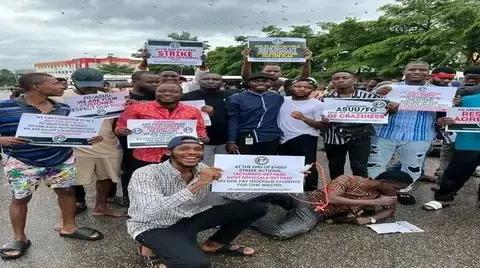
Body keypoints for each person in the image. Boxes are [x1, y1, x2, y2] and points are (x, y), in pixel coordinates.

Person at [0, 73, 104, 260]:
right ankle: (19, 238)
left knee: (66, 192)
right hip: (23, 162)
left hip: (60, 159)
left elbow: (70, 133)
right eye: (55, 83)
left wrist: (89, 137)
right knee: (20, 198)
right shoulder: (4, 107)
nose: (61, 86)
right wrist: (3, 140)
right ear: (36, 86)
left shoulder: (63, 108)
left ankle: (69, 227)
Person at [128, 136, 268, 268]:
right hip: (155, 226)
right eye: (184, 148)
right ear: (169, 152)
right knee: (197, 264)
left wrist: (268, 186)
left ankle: (213, 244)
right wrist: (198, 184)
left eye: (197, 149)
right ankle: (147, 249)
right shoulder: (146, 173)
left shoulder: (201, 169)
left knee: (256, 208)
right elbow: (150, 209)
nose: (192, 152)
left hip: (190, 217)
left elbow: (232, 194)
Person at [251, 171, 412, 239]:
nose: (396, 192)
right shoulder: (349, 179)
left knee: (283, 233)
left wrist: (370, 220)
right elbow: (331, 198)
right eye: (396, 188)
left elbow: (389, 211)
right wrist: (374, 202)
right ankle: (240, 202)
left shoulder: (386, 194)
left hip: (317, 212)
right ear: (384, 182)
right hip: (308, 197)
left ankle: (247, 219)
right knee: (275, 187)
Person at [368, 61, 440, 203]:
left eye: (422, 70)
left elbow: (444, 114)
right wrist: (378, 97)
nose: (417, 72)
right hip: (384, 133)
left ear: (428, 73)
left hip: (419, 135)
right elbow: (370, 109)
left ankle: (401, 191)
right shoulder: (387, 89)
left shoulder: (438, 93)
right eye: (412, 69)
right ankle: (375, 192)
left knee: (413, 167)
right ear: (404, 71)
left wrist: (453, 105)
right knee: (374, 164)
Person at [61, 68, 125, 217]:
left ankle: (101, 207)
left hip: (108, 144)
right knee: (72, 181)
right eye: (85, 85)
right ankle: (68, 215)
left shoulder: (108, 97)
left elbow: (117, 119)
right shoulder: (62, 97)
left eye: (94, 84)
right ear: (74, 82)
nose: (90, 88)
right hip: (78, 147)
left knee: (106, 178)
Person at [115, 83, 209, 171]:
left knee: (180, 185)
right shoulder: (136, 108)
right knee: (146, 184)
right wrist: (121, 130)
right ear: (155, 92)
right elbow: (120, 125)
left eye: (173, 92)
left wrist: (202, 137)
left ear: (181, 94)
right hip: (146, 156)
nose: (167, 94)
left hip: (181, 156)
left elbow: (200, 128)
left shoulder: (193, 111)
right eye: (161, 91)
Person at [322, 70, 396, 180]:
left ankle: (360, 191)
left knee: (360, 167)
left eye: (345, 77)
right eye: (336, 78)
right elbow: (317, 117)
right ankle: (336, 190)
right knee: (335, 166)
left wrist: (393, 109)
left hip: (360, 136)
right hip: (333, 137)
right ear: (332, 81)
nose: (340, 80)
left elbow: (384, 113)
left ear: (354, 80)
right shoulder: (324, 98)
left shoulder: (370, 97)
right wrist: (323, 119)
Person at [277, 77, 326, 191]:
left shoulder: (317, 104)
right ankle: (289, 192)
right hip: (283, 139)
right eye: (298, 86)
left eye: (307, 87)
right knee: (286, 167)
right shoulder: (282, 100)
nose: (302, 89)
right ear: (290, 88)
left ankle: (311, 193)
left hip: (306, 138)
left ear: (313, 89)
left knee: (309, 167)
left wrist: (303, 118)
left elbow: (321, 125)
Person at [181, 72, 235, 166]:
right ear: (199, 81)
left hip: (225, 142)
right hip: (200, 142)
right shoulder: (187, 97)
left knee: (224, 171)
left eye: (215, 79)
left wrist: (215, 114)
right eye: (206, 79)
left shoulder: (231, 96)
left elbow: (235, 118)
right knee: (204, 170)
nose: (211, 81)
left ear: (222, 82)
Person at [226, 72, 284, 155]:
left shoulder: (278, 98)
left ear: (271, 83)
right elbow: (233, 120)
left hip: (271, 136)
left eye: (265, 81)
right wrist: (231, 141)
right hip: (246, 135)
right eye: (255, 81)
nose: (260, 83)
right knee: (246, 164)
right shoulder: (236, 98)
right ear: (249, 83)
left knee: (269, 164)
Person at [240, 47, 312, 95]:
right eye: (268, 71)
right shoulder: (255, 83)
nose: (272, 73)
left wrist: (307, 62)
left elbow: (303, 77)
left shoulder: (286, 83)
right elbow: (246, 76)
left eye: (275, 71)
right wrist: (247, 61)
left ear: (281, 73)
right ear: (262, 72)